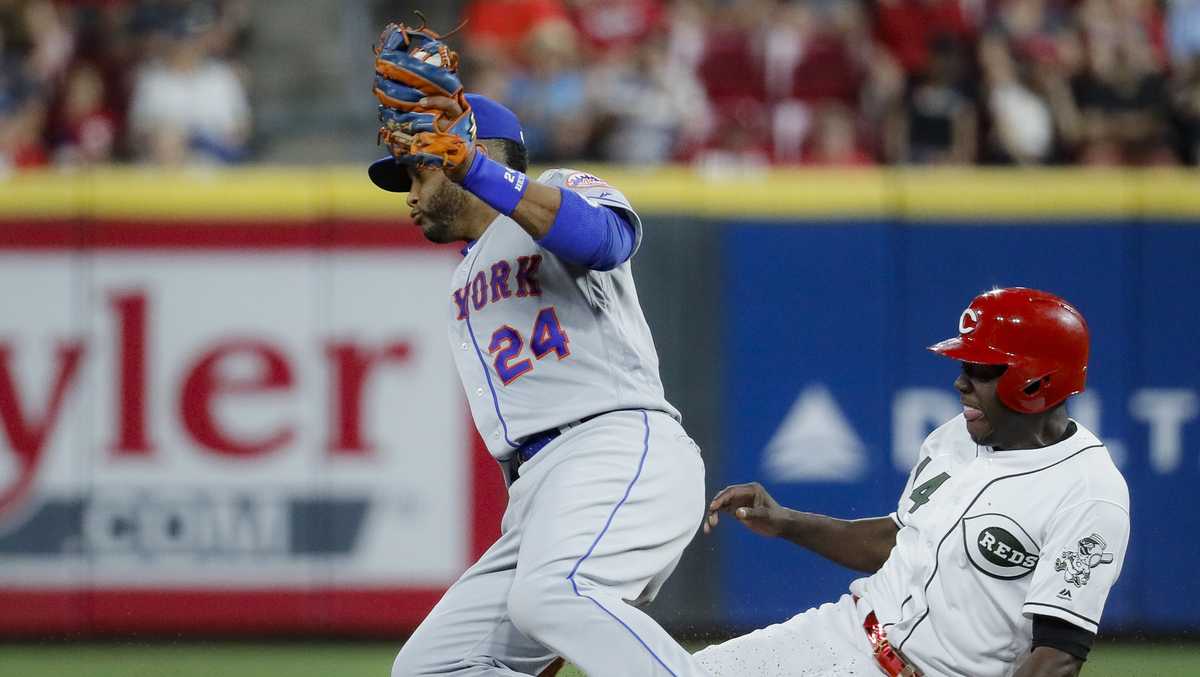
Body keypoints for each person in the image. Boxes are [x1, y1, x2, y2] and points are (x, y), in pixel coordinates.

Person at [368, 20, 706, 677]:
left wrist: (474, 168)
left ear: (469, 151)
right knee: (434, 666)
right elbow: (515, 455)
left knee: (552, 593)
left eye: (419, 170)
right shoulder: (461, 287)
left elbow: (608, 240)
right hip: (544, 494)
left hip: (618, 445)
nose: (410, 196)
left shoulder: (559, 189)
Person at [697, 287, 1129, 677]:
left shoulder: (1088, 494)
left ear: (1036, 380)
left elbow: (1057, 657)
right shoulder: (953, 435)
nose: (960, 381)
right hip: (843, 632)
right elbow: (901, 541)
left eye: (982, 368)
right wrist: (786, 521)